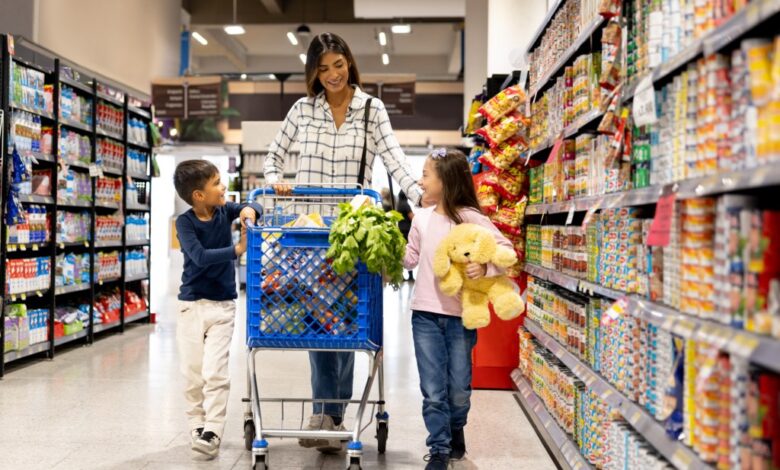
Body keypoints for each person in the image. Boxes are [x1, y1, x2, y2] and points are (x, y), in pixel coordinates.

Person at [263, 32, 423, 453]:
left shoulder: (372, 110)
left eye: (339, 64)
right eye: (323, 68)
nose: (333, 75)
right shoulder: (303, 110)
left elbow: (394, 158)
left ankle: (333, 412)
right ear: (313, 73)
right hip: (309, 232)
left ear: (349, 62)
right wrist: (275, 182)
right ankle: (325, 412)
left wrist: (426, 199)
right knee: (318, 325)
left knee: (346, 325)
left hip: (353, 233)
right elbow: (273, 157)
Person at [403, 148, 515, 469]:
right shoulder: (421, 218)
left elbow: (504, 251)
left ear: (446, 181)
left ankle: (456, 426)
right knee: (432, 388)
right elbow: (410, 257)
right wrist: (384, 253)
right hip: (424, 314)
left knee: (458, 388)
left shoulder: (474, 219)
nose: (420, 181)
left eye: (426, 175)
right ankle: (438, 448)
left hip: (460, 318)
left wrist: (485, 267)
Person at [173, 160, 263, 459]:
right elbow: (198, 257)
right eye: (216, 183)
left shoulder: (225, 210)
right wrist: (237, 250)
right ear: (199, 195)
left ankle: (212, 430)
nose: (223, 187)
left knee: (215, 372)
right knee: (193, 373)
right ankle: (196, 425)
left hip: (223, 305)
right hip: (191, 305)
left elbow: (252, 205)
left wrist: (250, 210)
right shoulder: (184, 223)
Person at [396, 191, 415, 281]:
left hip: (400, 230)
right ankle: (410, 275)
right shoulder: (405, 205)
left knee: (402, 253)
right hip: (407, 231)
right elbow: (412, 217)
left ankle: (402, 276)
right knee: (408, 253)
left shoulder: (399, 204)